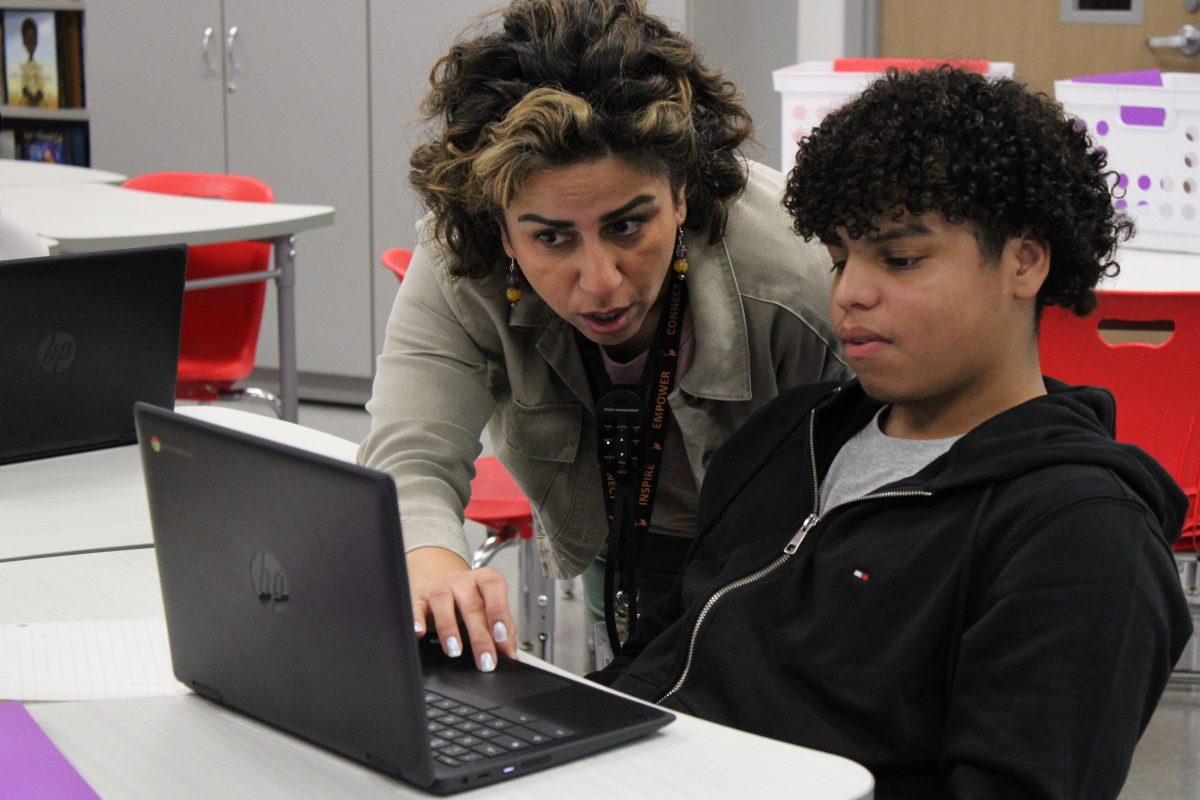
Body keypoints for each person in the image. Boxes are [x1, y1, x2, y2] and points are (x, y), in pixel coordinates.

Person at [592, 67, 1193, 799]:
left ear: (1025, 262)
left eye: (901, 259)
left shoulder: (1079, 536)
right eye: (842, 259)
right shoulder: (790, 434)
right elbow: (659, 653)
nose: (849, 293)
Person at [358, 0, 847, 672]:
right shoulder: (463, 266)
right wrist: (432, 563)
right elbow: (408, 459)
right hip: (617, 537)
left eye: (626, 227)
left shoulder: (793, 279)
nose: (601, 282)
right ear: (502, 231)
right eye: (552, 238)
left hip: (789, 555)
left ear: (681, 192)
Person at [18, 17, 46, 107]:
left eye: (33, 41)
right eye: (28, 41)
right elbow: (23, 87)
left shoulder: (40, 66)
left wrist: (36, 98)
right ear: (23, 41)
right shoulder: (22, 66)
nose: (31, 45)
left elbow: (42, 87)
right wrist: (30, 97)